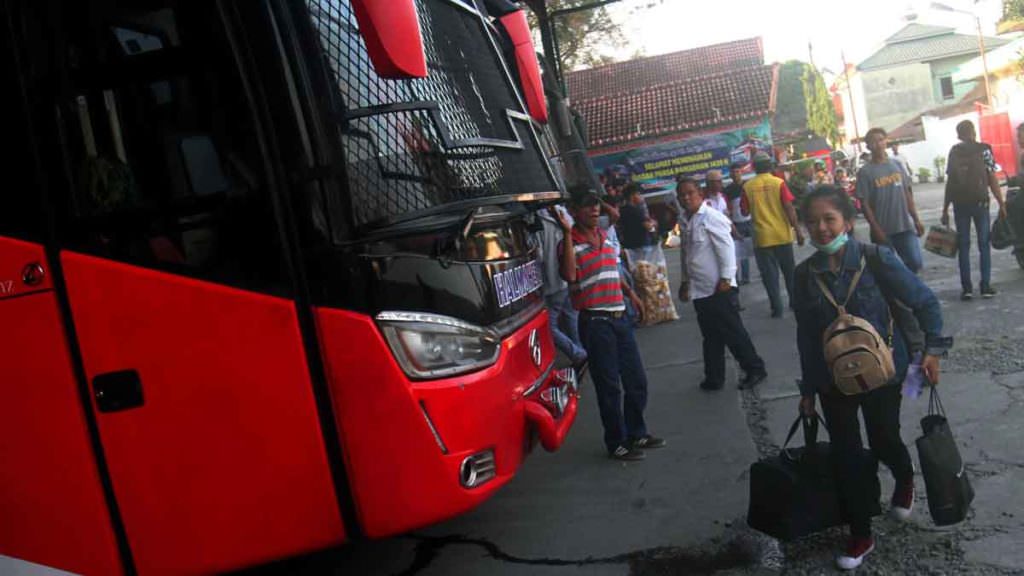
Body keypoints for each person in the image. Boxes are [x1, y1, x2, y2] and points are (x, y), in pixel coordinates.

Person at [793, 185, 949, 571]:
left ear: (847, 220)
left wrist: (932, 351)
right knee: (847, 455)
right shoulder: (803, 274)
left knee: (883, 440)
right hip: (834, 380)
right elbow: (806, 336)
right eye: (813, 222)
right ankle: (861, 531)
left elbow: (924, 300)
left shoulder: (876, 258)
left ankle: (904, 476)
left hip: (883, 372)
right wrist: (809, 389)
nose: (821, 229)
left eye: (829, 219)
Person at [557, 188, 665, 461]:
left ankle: (636, 432)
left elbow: (612, 272)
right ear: (574, 212)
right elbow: (569, 275)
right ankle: (616, 442)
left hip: (620, 318)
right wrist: (568, 232)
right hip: (596, 322)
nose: (595, 211)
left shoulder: (605, 237)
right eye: (588, 207)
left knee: (636, 379)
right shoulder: (570, 243)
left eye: (596, 207)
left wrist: (630, 294)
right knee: (609, 386)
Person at [677, 177, 766, 391]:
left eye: (690, 192)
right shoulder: (687, 221)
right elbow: (686, 254)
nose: (686, 197)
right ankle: (714, 377)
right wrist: (684, 282)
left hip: (719, 287)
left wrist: (727, 278)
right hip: (701, 289)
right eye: (682, 194)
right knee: (711, 336)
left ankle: (754, 368)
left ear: (700, 193)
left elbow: (726, 248)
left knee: (732, 331)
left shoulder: (710, 217)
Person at [941, 120, 1008, 300]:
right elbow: (992, 177)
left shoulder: (954, 152)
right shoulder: (984, 149)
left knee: (963, 245)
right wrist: (1001, 204)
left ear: (959, 135)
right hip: (981, 203)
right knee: (983, 244)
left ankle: (967, 288)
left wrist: (945, 208)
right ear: (974, 132)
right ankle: (985, 286)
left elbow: (950, 182)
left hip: (960, 204)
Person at [743, 152, 805, 318]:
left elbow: (744, 211)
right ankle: (795, 302)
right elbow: (789, 208)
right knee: (789, 272)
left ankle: (776, 308)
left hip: (762, 238)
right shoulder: (779, 183)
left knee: (769, 276)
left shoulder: (747, 186)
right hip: (782, 235)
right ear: (769, 166)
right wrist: (798, 231)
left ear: (754, 168)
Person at [856, 127, 925, 273]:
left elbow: (907, 194)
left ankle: (908, 290)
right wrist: (875, 228)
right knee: (888, 269)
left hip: (905, 226)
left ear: (886, 141)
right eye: (873, 142)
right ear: (868, 146)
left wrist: (916, 219)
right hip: (882, 230)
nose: (878, 144)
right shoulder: (865, 172)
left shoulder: (897, 165)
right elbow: (864, 203)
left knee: (915, 262)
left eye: (881, 140)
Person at [534, 205, 587, 369]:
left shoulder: (536, 220)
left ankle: (578, 354)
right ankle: (583, 352)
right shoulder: (563, 213)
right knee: (572, 318)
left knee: (549, 328)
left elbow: (539, 256)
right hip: (569, 277)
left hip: (552, 282)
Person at [725, 163, 753, 285]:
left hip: (750, 221)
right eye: (733, 172)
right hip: (736, 223)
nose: (736, 174)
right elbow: (727, 208)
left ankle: (748, 276)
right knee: (738, 252)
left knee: (756, 249)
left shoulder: (748, 186)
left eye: (738, 171)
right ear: (730, 174)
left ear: (741, 172)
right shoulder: (727, 190)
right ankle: (736, 278)